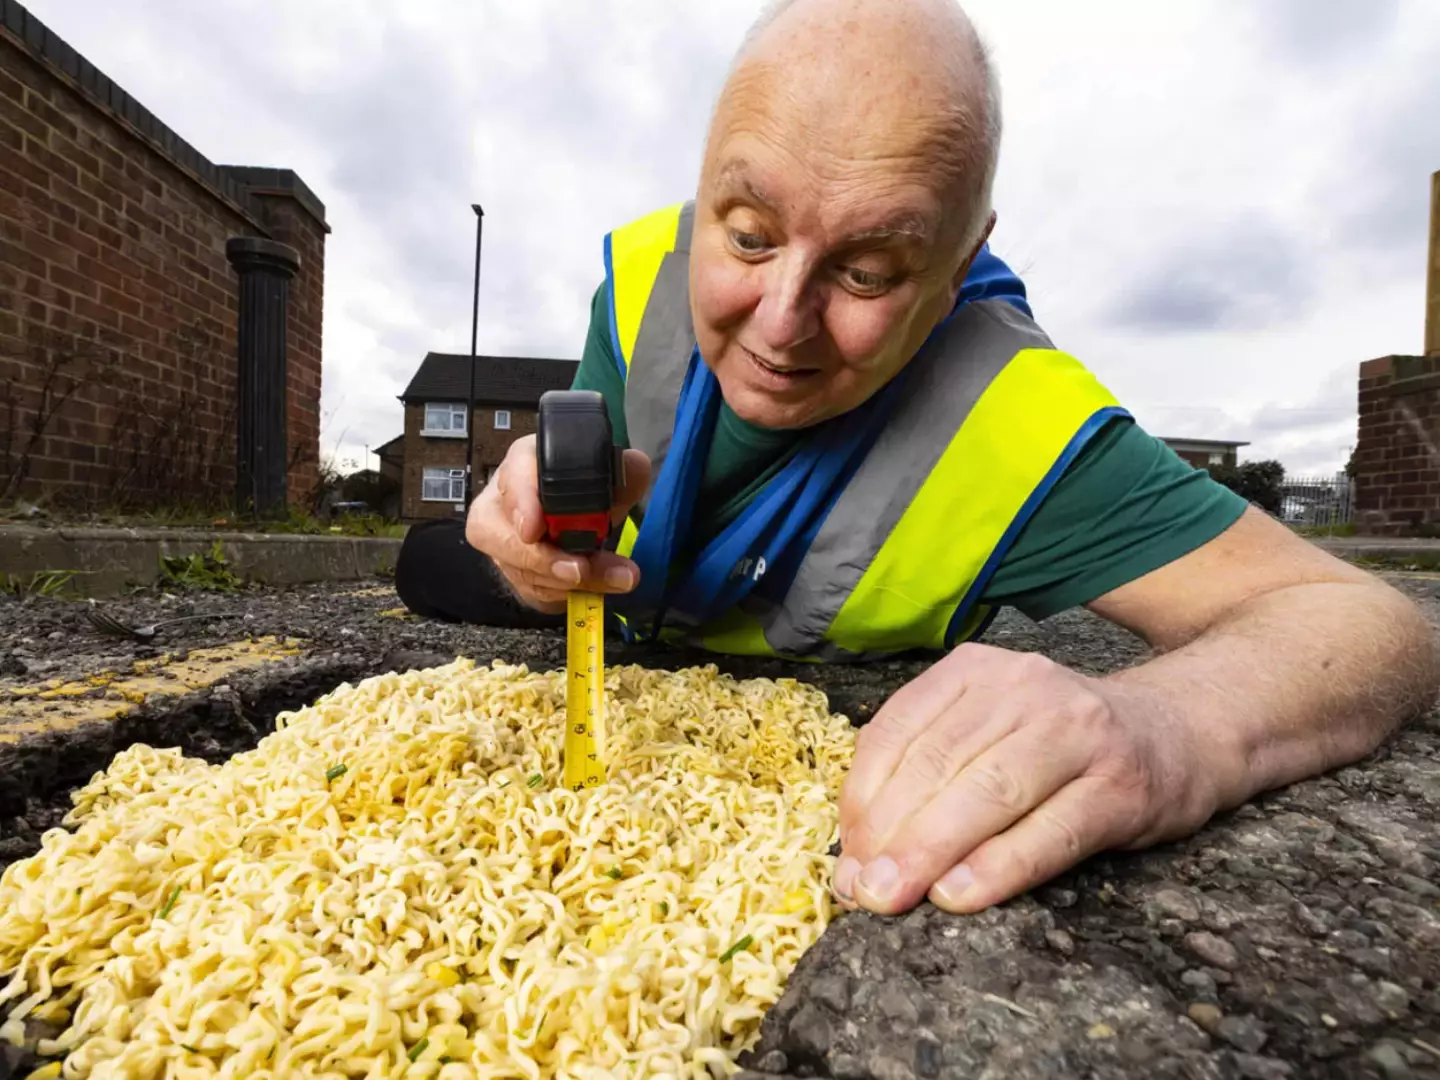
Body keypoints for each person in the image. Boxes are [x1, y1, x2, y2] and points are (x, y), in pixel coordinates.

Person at [396, 0, 1437, 918]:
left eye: (868, 269)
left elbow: (1370, 625)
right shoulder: (635, 282)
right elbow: (571, 532)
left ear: (956, 268)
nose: (782, 322)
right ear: (704, 189)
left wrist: (1164, 725)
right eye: (749, 233)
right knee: (425, 565)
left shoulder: (1024, 423)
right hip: (635, 625)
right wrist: (530, 539)